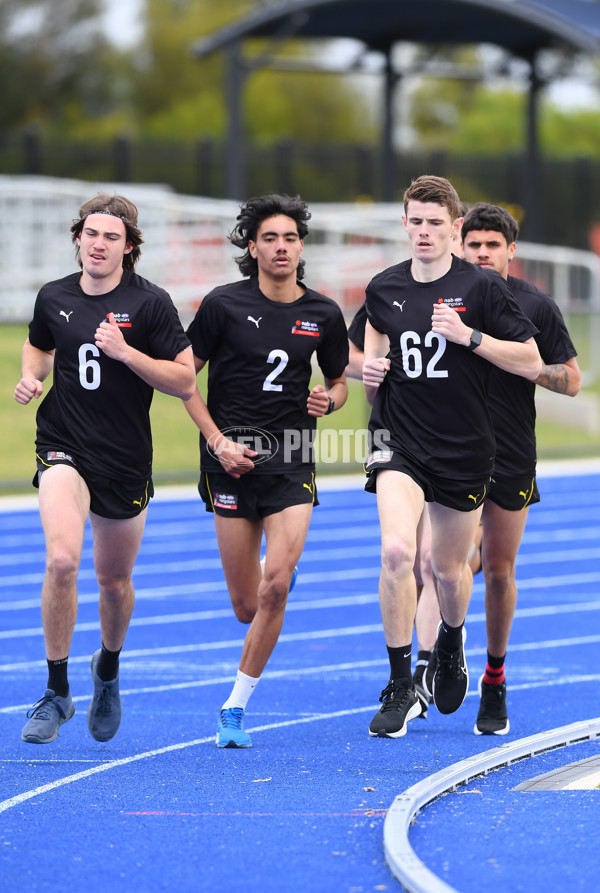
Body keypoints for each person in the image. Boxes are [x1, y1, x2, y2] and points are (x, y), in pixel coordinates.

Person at [362, 175, 542, 739]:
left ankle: (454, 638)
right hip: (398, 440)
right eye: (415, 221)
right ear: (404, 224)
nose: (424, 232)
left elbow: (532, 360)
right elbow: (373, 359)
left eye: (436, 223)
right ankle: (397, 684)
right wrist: (370, 371)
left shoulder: (483, 289)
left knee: (448, 570)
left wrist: (469, 338)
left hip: (464, 445)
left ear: (455, 229)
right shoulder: (383, 287)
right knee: (396, 552)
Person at [15, 193, 196, 745]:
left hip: (123, 457)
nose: (98, 244)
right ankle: (55, 690)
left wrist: (127, 354)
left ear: (129, 246)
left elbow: (185, 381)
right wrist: (32, 377)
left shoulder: (150, 304)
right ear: (78, 238)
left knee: (113, 582)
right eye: (90, 234)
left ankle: (108, 670)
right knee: (63, 560)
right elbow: (37, 344)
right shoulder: (55, 296)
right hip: (63, 443)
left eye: (111, 237)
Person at [184, 194, 348, 748]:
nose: (282, 247)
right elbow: (186, 380)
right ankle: (276, 580)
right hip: (229, 461)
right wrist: (217, 441)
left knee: (274, 586)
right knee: (246, 605)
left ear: (302, 248)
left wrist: (332, 397)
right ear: (251, 246)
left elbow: (341, 382)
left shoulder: (324, 312)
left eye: (291, 238)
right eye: (271, 238)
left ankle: (235, 706)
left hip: (292, 457)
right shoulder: (222, 305)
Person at [461, 202, 581, 735]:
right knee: (445, 563)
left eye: (493, 245)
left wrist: (523, 364)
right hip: (447, 451)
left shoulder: (536, 305)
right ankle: (437, 656)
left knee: (498, 568)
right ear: (460, 246)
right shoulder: (440, 298)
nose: (482, 253)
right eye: (474, 244)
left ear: (511, 250)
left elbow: (572, 380)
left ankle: (494, 676)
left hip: (511, 451)